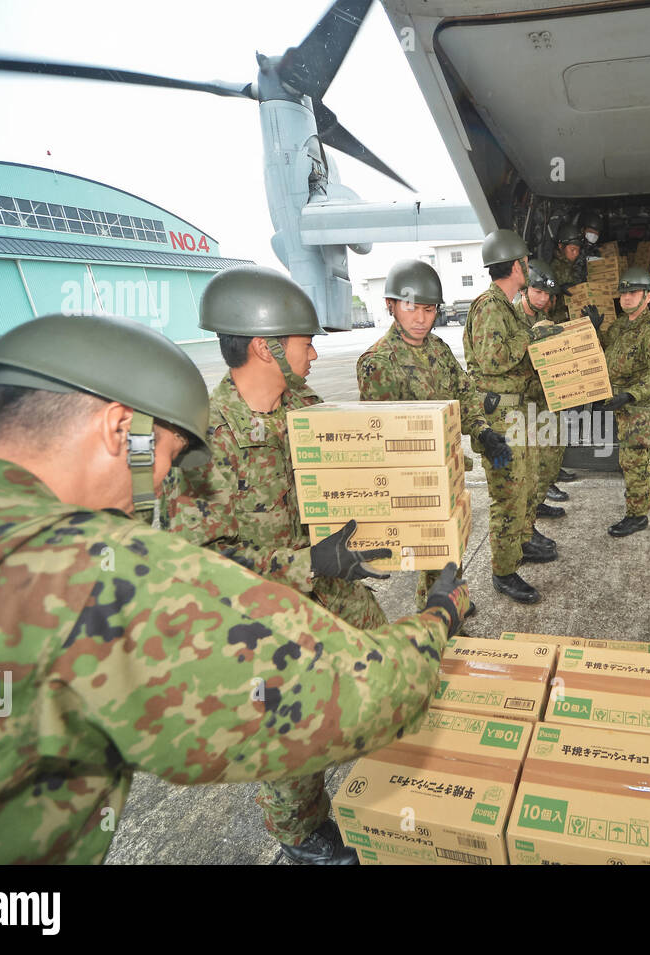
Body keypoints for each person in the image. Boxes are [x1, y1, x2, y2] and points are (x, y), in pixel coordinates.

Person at [0, 313, 468, 864]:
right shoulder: (97, 573)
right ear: (116, 430)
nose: (154, 485)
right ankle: (300, 833)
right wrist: (439, 615)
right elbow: (353, 695)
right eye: (165, 457)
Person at [157, 265, 398, 864]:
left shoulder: (304, 407)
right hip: (251, 609)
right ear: (266, 347)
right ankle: (300, 834)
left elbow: (346, 482)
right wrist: (308, 560)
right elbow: (199, 566)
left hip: (320, 582)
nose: (315, 353)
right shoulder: (200, 443)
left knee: (386, 663)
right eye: (305, 341)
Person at [353, 259, 512, 612]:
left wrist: (484, 433)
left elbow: (464, 393)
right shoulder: (379, 362)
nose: (421, 318)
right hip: (412, 478)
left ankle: (449, 596)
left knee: (451, 543)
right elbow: (382, 436)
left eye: (429, 309)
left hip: (446, 469)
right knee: (432, 551)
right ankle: (438, 615)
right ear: (391, 305)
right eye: (412, 307)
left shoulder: (438, 349)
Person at [462, 228, 554, 604]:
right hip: (499, 416)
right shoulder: (488, 306)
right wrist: (535, 337)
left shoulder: (505, 307)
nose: (528, 268)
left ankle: (522, 541)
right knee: (508, 495)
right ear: (518, 265)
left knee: (527, 484)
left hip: (518, 409)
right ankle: (503, 571)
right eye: (526, 263)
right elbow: (493, 359)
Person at [601, 267, 650, 537]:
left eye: (633, 293)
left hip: (639, 404)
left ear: (648, 296)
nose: (626, 298)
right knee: (640, 453)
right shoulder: (622, 323)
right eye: (623, 293)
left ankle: (637, 515)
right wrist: (594, 329)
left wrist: (630, 395)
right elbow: (608, 349)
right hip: (622, 400)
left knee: (632, 458)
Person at [514, 261, 571, 520]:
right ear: (525, 289)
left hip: (546, 397)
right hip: (524, 404)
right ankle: (529, 517)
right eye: (538, 291)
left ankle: (539, 500)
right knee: (531, 465)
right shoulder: (513, 319)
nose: (543, 298)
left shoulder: (541, 319)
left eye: (547, 294)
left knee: (551, 454)